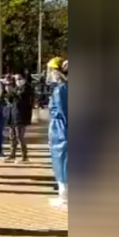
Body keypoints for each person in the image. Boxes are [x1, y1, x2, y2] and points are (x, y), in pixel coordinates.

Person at [46, 57, 68, 208]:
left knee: (61, 161)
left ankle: (64, 197)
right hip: (61, 128)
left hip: (60, 129)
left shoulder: (60, 89)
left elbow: (63, 111)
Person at [4, 72, 34, 163]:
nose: (18, 81)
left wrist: (11, 91)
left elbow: (20, 98)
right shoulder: (16, 88)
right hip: (13, 115)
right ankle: (12, 154)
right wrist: (8, 92)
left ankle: (25, 156)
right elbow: (10, 99)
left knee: (19, 136)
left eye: (20, 79)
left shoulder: (27, 89)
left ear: (24, 79)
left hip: (21, 116)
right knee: (12, 136)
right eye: (16, 79)